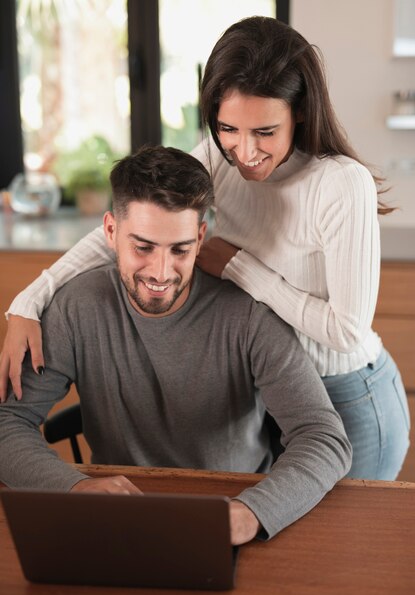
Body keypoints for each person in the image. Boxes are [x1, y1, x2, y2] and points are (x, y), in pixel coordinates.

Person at [0, 17, 409, 479]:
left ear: (299, 111)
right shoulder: (220, 157)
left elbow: (347, 332)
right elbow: (131, 225)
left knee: (342, 546)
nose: (244, 151)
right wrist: (28, 302)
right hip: (273, 391)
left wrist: (239, 267)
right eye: (228, 127)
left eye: (264, 132)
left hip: (348, 394)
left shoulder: (339, 184)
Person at [0, 145, 352, 546]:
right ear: (111, 231)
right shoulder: (75, 307)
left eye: (180, 250)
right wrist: (73, 487)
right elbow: (7, 423)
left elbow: (323, 437)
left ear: (201, 236)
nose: (161, 273)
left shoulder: (249, 313)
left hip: (231, 514)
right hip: (115, 523)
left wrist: (255, 511)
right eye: (143, 247)